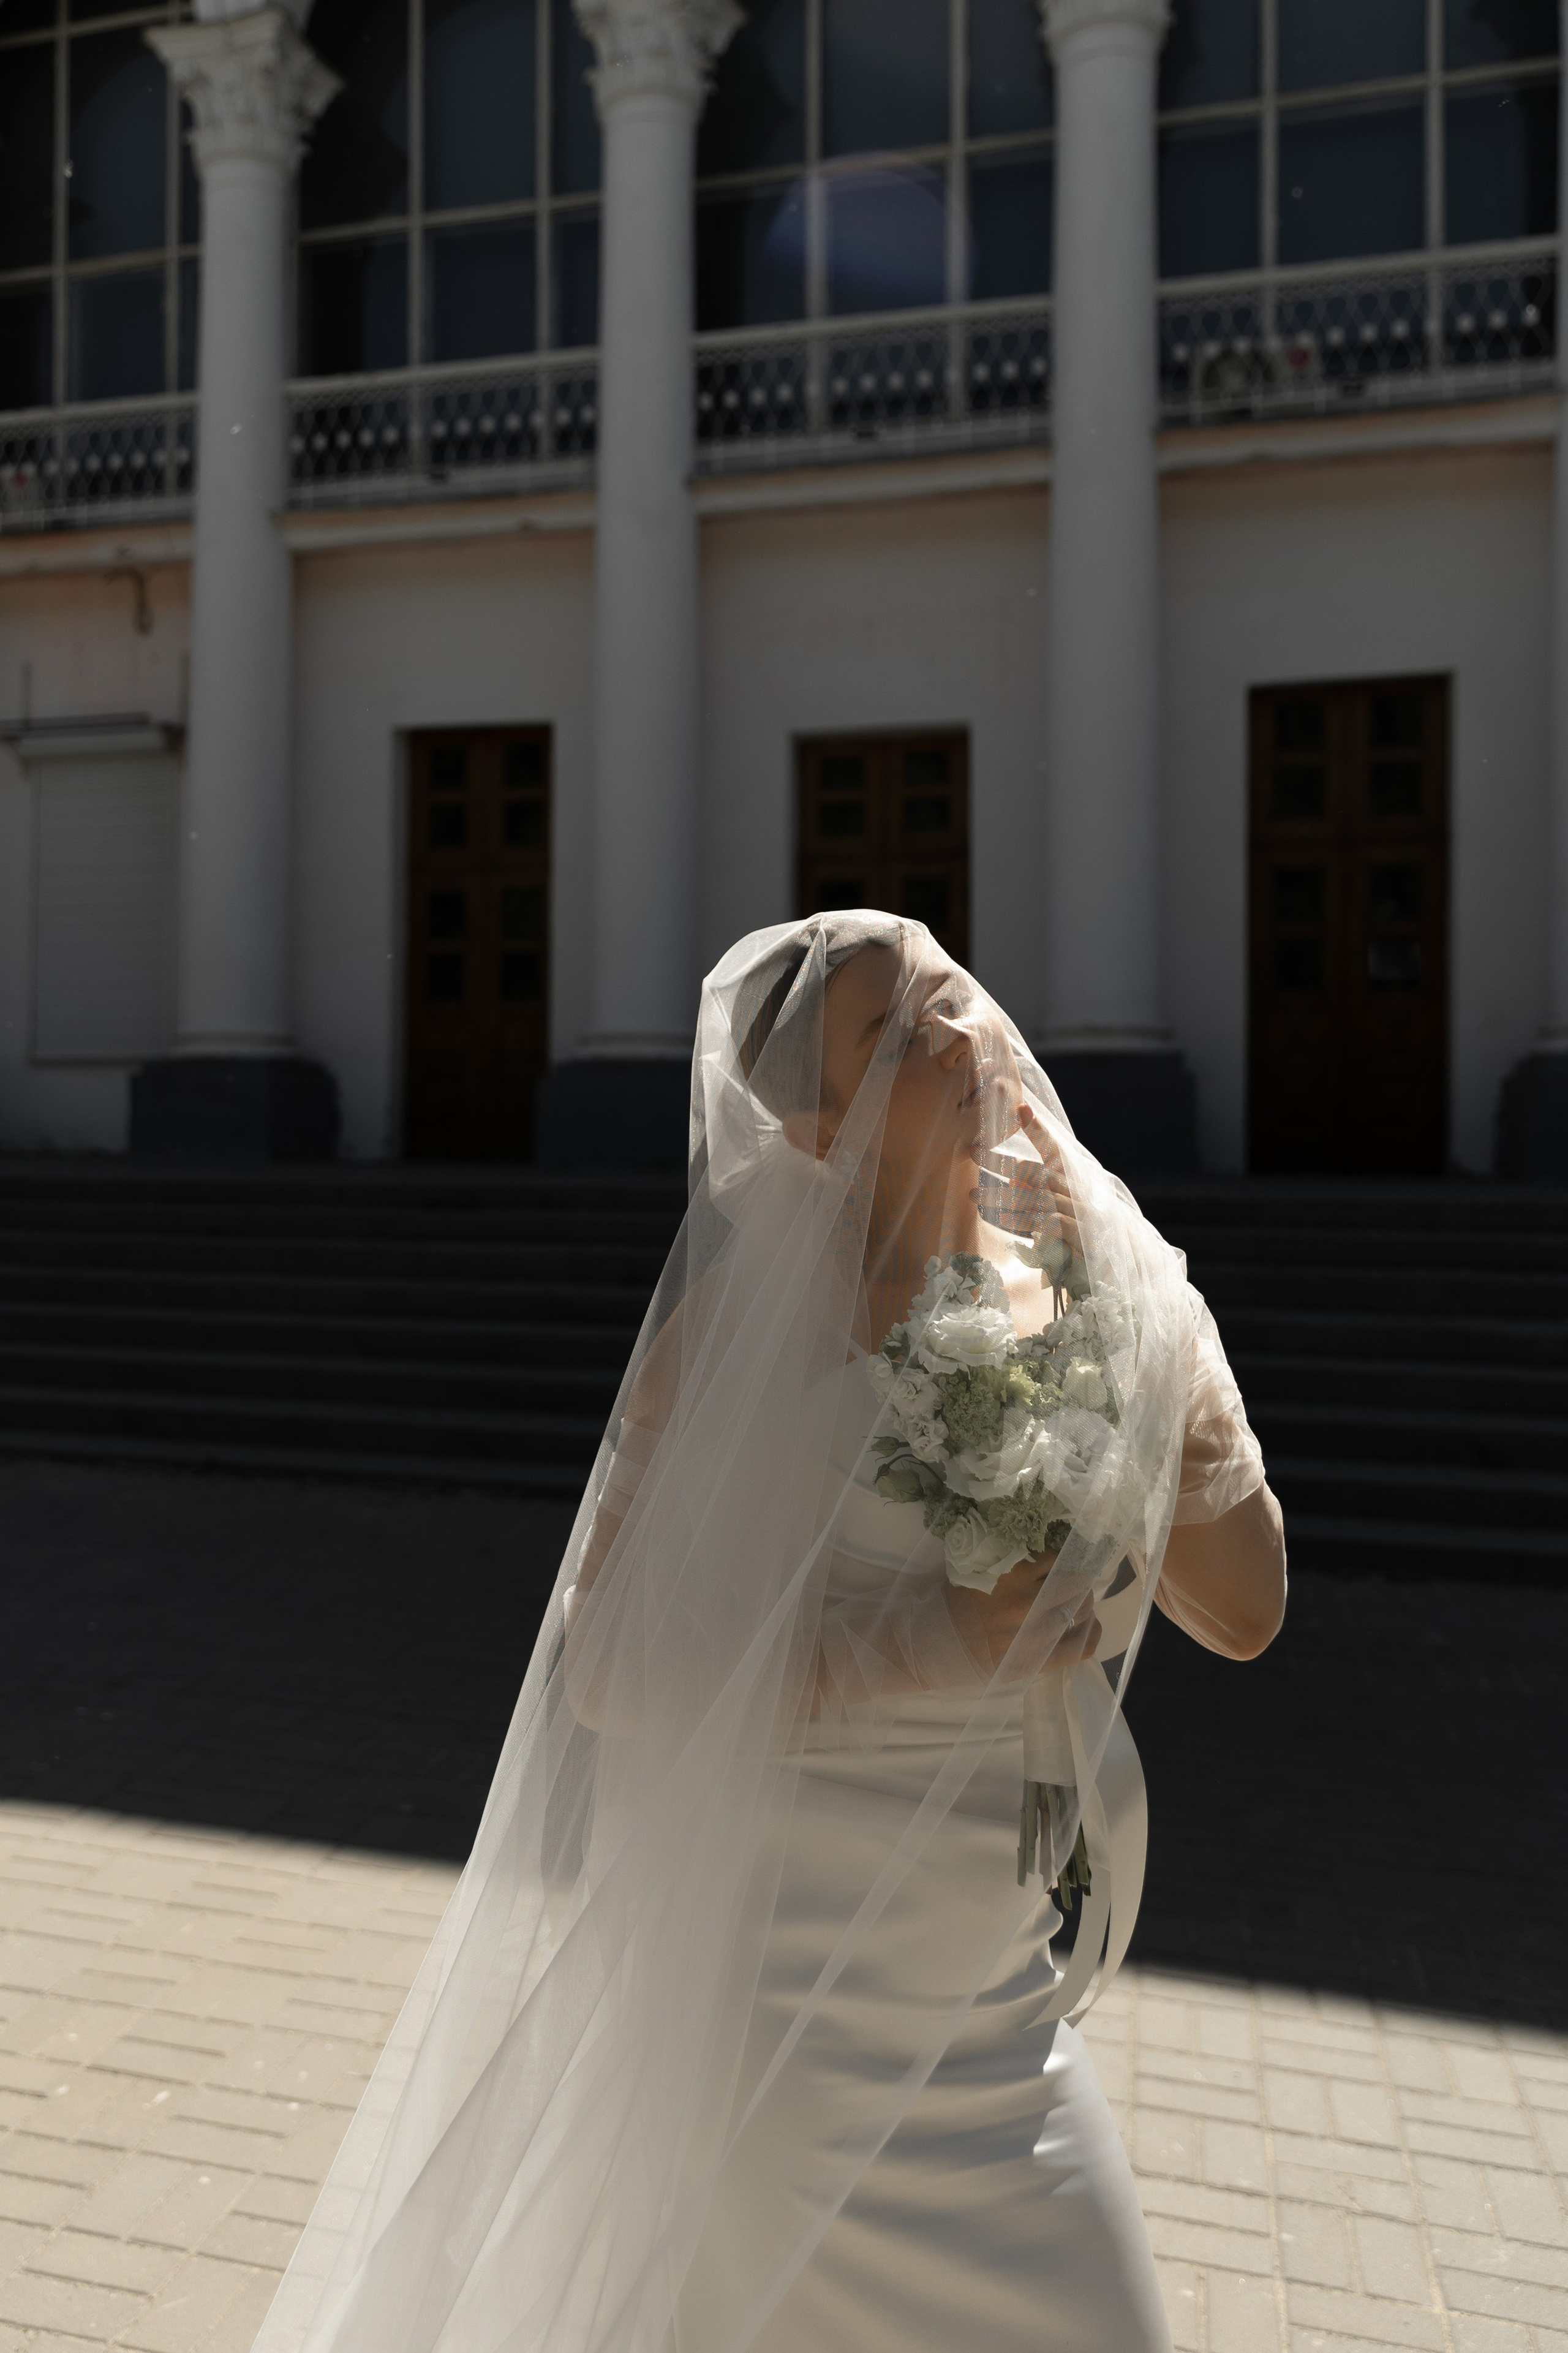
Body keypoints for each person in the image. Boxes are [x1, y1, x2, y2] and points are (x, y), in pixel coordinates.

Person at [256, 915, 1285, 2353]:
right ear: (813, 1119)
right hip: (779, 2014)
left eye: (942, 1001)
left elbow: (1245, 1612)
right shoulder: (729, 1348)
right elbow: (605, 1672)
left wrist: (1147, 1331)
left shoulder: (1094, 1297)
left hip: (984, 2004)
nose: (955, 1034)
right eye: (894, 1035)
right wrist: (930, 1638)